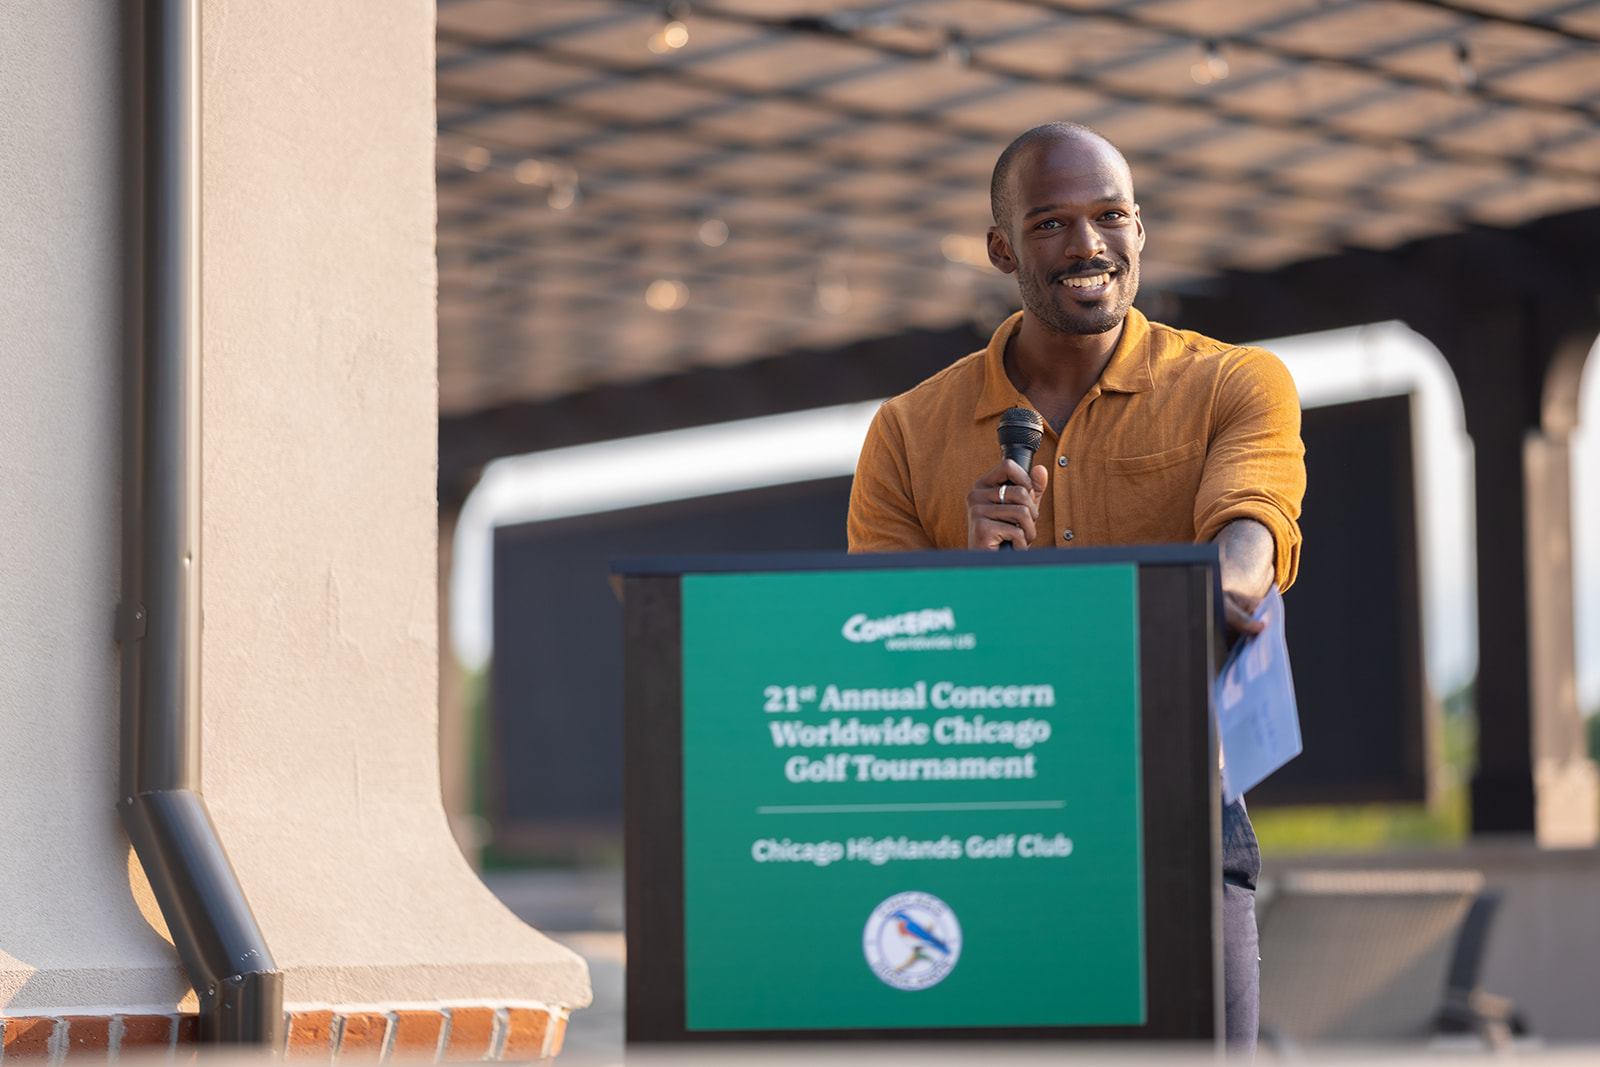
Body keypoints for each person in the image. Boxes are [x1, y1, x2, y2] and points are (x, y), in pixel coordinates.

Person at [846, 122, 1305, 1052]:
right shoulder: (906, 432)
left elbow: (1251, 534)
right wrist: (970, 587)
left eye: (1110, 216)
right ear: (1002, 248)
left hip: (1179, 813)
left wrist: (1219, 591)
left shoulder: (1234, 383)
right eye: (1052, 222)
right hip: (987, 837)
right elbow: (885, 655)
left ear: (1140, 230)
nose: (1088, 245)